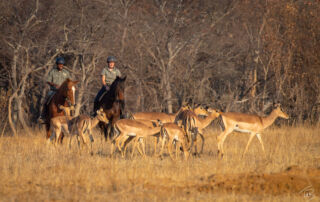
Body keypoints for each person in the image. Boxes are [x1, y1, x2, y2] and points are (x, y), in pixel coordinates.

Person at [39, 57, 71, 122]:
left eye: (62, 64)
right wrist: (54, 85)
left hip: (63, 92)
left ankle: (71, 117)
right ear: (57, 64)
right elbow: (48, 80)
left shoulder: (66, 72)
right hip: (54, 91)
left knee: (70, 101)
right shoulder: (52, 71)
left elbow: (69, 81)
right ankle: (43, 116)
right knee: (46, 100)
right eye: (59, 64)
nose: (61, 65)